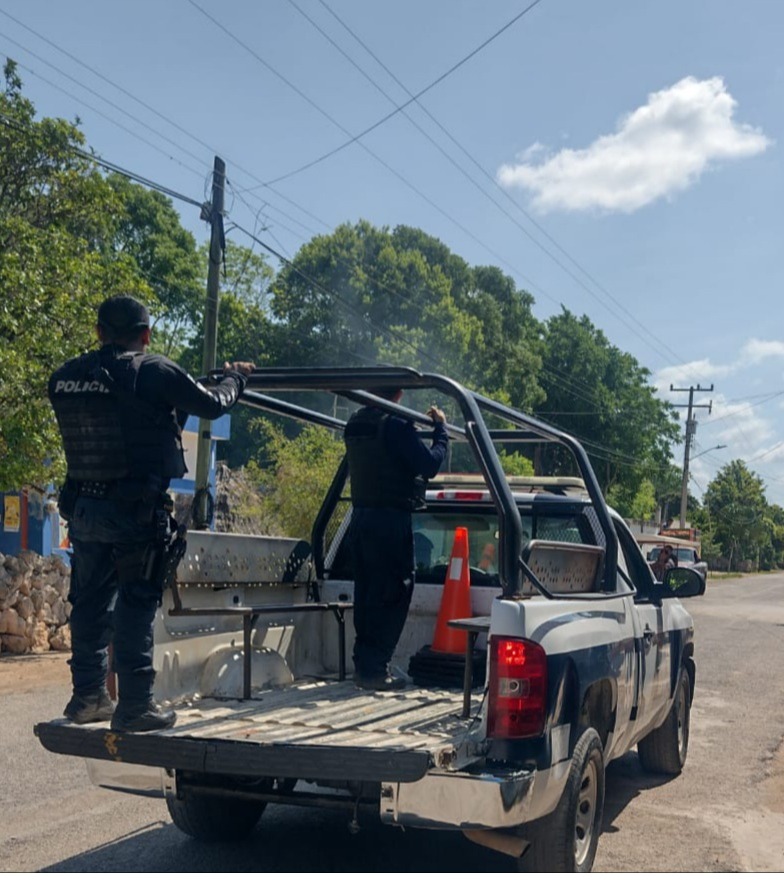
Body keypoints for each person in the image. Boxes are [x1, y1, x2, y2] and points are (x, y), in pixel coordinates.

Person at [48, 295, 254, 732]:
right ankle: (135, 706)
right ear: (146, 335)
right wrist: (236, 379)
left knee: (88, 603)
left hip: (83, 509)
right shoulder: (155, 370)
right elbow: (213, 405)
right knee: (136, 604)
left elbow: (126, 420)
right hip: (135, 513)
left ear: (99, 332)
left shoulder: (64, 377)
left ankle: (87, 697)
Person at [344, 389, 448, 691]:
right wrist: (441, 431)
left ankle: (364, 666)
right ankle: (376, 670)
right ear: (399, 393)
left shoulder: (355, 423)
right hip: (390, 519)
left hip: (360, 518)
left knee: (366, 594)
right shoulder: (394, 425)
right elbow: (429, 465)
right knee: (394, 592)